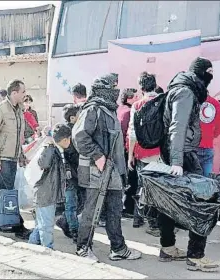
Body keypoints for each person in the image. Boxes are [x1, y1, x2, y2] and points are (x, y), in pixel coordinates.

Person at [159, 57, 220, 272]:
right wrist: (177, 161)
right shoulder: (186, 92)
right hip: (183, 154)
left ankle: (167, 247)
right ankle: (196, 256)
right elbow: (178, 126)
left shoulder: (181, 87)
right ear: (201, 72)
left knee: (169, 200)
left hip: (177, 152)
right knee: (202, 203)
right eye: (209, 71)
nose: (211, 76)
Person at [72, 73, 141, 261]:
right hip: (97, 171)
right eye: (113, 86)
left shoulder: (108, 110)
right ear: (104, 89)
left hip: (113, 172)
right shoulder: (93, 109)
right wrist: (98, 155)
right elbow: (79, 136)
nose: (116, 91)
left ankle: (118, 248)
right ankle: (83, 248)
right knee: (91, 211)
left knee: (114, 211)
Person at [0, 79, 31, 239]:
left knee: (6, 193)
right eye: (22, 92)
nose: (24, 95)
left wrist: (21, 154)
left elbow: (18, 135)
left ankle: (0, 224)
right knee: (8, 194)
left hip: (13, 158)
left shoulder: (19, 110)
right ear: (14, 93)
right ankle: (17, 226)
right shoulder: (0, 110)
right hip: (3, 158)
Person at [127, 72, 161, 234]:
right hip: (161, 154)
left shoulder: (137, 105)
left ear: (141, 88)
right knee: (159, 188)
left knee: (142, 187)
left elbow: (132, 133)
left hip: (142, 154)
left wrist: (130, 156)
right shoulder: (164, 101)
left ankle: (137, 218)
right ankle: (155, 224)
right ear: (155, 85)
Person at [28, 123, 72, 249]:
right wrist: (48, 147)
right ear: (65, 139)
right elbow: (43, 163)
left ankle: (32, 244)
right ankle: (48, 248)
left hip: (47, 192)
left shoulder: (56, 149)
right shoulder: (50, 149)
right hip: (45, 192)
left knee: (42, 223)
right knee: (46, 225)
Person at [55, 104, 82, 241]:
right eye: (79, 114)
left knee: (76, 204)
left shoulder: (75, 130)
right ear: (72, 118)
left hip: (75, 174)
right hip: (69, 175)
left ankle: (65, 222)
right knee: (71, 204)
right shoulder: (68, 134)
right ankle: (74, 231)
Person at [117, 88, 140, 220]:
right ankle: (129, 207)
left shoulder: (119, 109)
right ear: (129, 98)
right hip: (127, 150)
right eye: (135, 96)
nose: (138, 98)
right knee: (132, 180)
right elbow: (129, 133)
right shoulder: (128, 112)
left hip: (120, 151)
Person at [197, 93, 220, 177]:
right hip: (208, 147)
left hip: (193, 147)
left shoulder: (191, 101)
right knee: (207, 180)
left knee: (192, 180)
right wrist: (210, 137)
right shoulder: (215, 103)